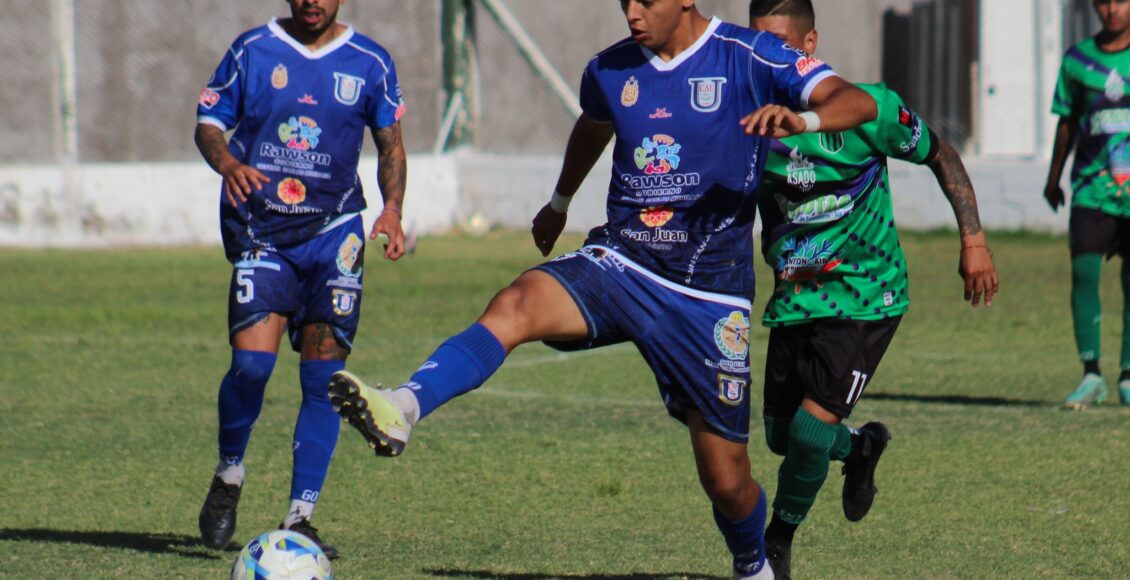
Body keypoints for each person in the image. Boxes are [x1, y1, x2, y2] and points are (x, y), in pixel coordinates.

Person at [328, 0, 876, 577]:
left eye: (646, 1)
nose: (632, 12)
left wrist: (803, 120)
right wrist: (559, 202)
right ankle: (405, 405)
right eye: (624, 1)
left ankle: (752, 565)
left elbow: (856, 101)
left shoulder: (749, 54)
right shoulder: (610, 69)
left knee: (726, 480)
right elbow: (594, 125)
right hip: (622, 260)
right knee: (516, 303)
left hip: (709, 294)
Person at [747, 1, 999, 577]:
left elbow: (940, 154)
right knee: (783, 439)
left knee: (810, 430)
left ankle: (776, 543)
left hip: (866, 295)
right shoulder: (749, 123)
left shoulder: (868, 109)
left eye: (781, 44)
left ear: (810, 45)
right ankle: (860, 446)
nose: (769, 58)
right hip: (794, 297)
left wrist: (974, 239)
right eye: (759, 45)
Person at [193, 0, 408, 559]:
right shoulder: (253, 51)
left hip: (335, 234)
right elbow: (209, 123)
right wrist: (227, 164)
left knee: (323, 379)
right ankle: (230, 471)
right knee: (251, 367)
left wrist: (392, 210)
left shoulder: (370, 62)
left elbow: (390, 145)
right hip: (262, 231)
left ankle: (300, 517)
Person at [1045, 0, 1130, 410]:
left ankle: (1128, 376)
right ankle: (1091, 374)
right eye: (1104, 1)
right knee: (1084, 275)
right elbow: (1067, 122)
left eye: (1121, 0)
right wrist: (1053, 178)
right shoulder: (1077, 61)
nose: (1113, 9)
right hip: (1091, 189)